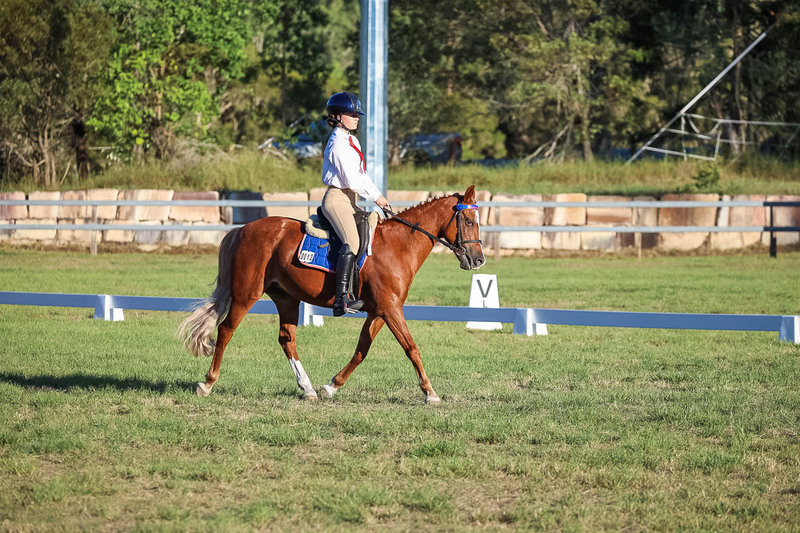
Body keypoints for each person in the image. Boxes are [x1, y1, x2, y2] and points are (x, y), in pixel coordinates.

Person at [321, 91, 390, 316]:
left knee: (372, 229)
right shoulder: (337, 143)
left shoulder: (352, 140)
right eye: (351, 114)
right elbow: (351, 179)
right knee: (351, 240)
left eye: (356, 114)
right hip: (337, 199)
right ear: (337, 116)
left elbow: (362, 175)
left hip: (350, 199)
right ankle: (341, 299)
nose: (356, 118)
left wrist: (379, 196)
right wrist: (376, 197)